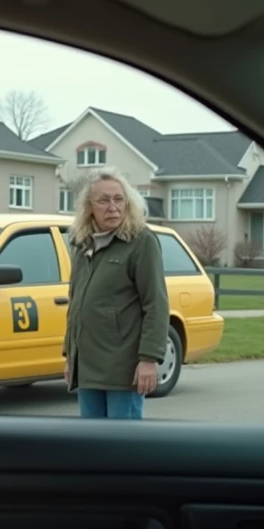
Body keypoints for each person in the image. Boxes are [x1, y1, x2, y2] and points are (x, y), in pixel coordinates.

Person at [62, 168, 170, 420]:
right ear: (89, 207)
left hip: (124, 368)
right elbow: (76, 304)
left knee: (123, 449)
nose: (113, 207)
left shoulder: (141, 241)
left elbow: (156, 304)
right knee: (93, 447)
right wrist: (71, 356)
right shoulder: (82, 243)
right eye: (104, 200)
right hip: (88, 367)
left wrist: (149, 359)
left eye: (118, 199)